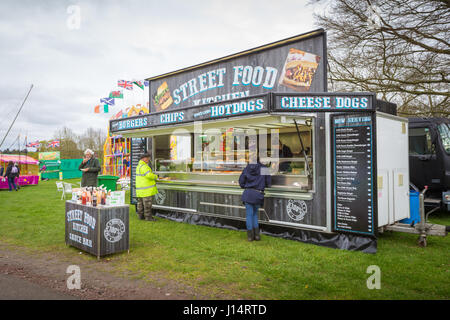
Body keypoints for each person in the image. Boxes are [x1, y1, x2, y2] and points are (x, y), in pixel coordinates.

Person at [239, 152, 271, 242]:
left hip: (248, 194)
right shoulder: (264, 168)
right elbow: (268, 182)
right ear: (258, 159)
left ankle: (250, 237)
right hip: (258, 194)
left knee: (249, 215)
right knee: (255, 215)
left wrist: (246, 185)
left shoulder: (246, 168)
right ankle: (257, 236)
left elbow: (241, 182)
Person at [135, 153, 159, 221]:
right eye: (147, 158)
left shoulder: (139, 166)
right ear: (144, 158)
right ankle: (148, 217)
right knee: (147, 205)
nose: (149, 159)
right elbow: (149, 175)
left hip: (140, 190)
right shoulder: (144, 166)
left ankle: (140, 216)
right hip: (146, 190)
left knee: (140, 204)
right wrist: (156, 177)